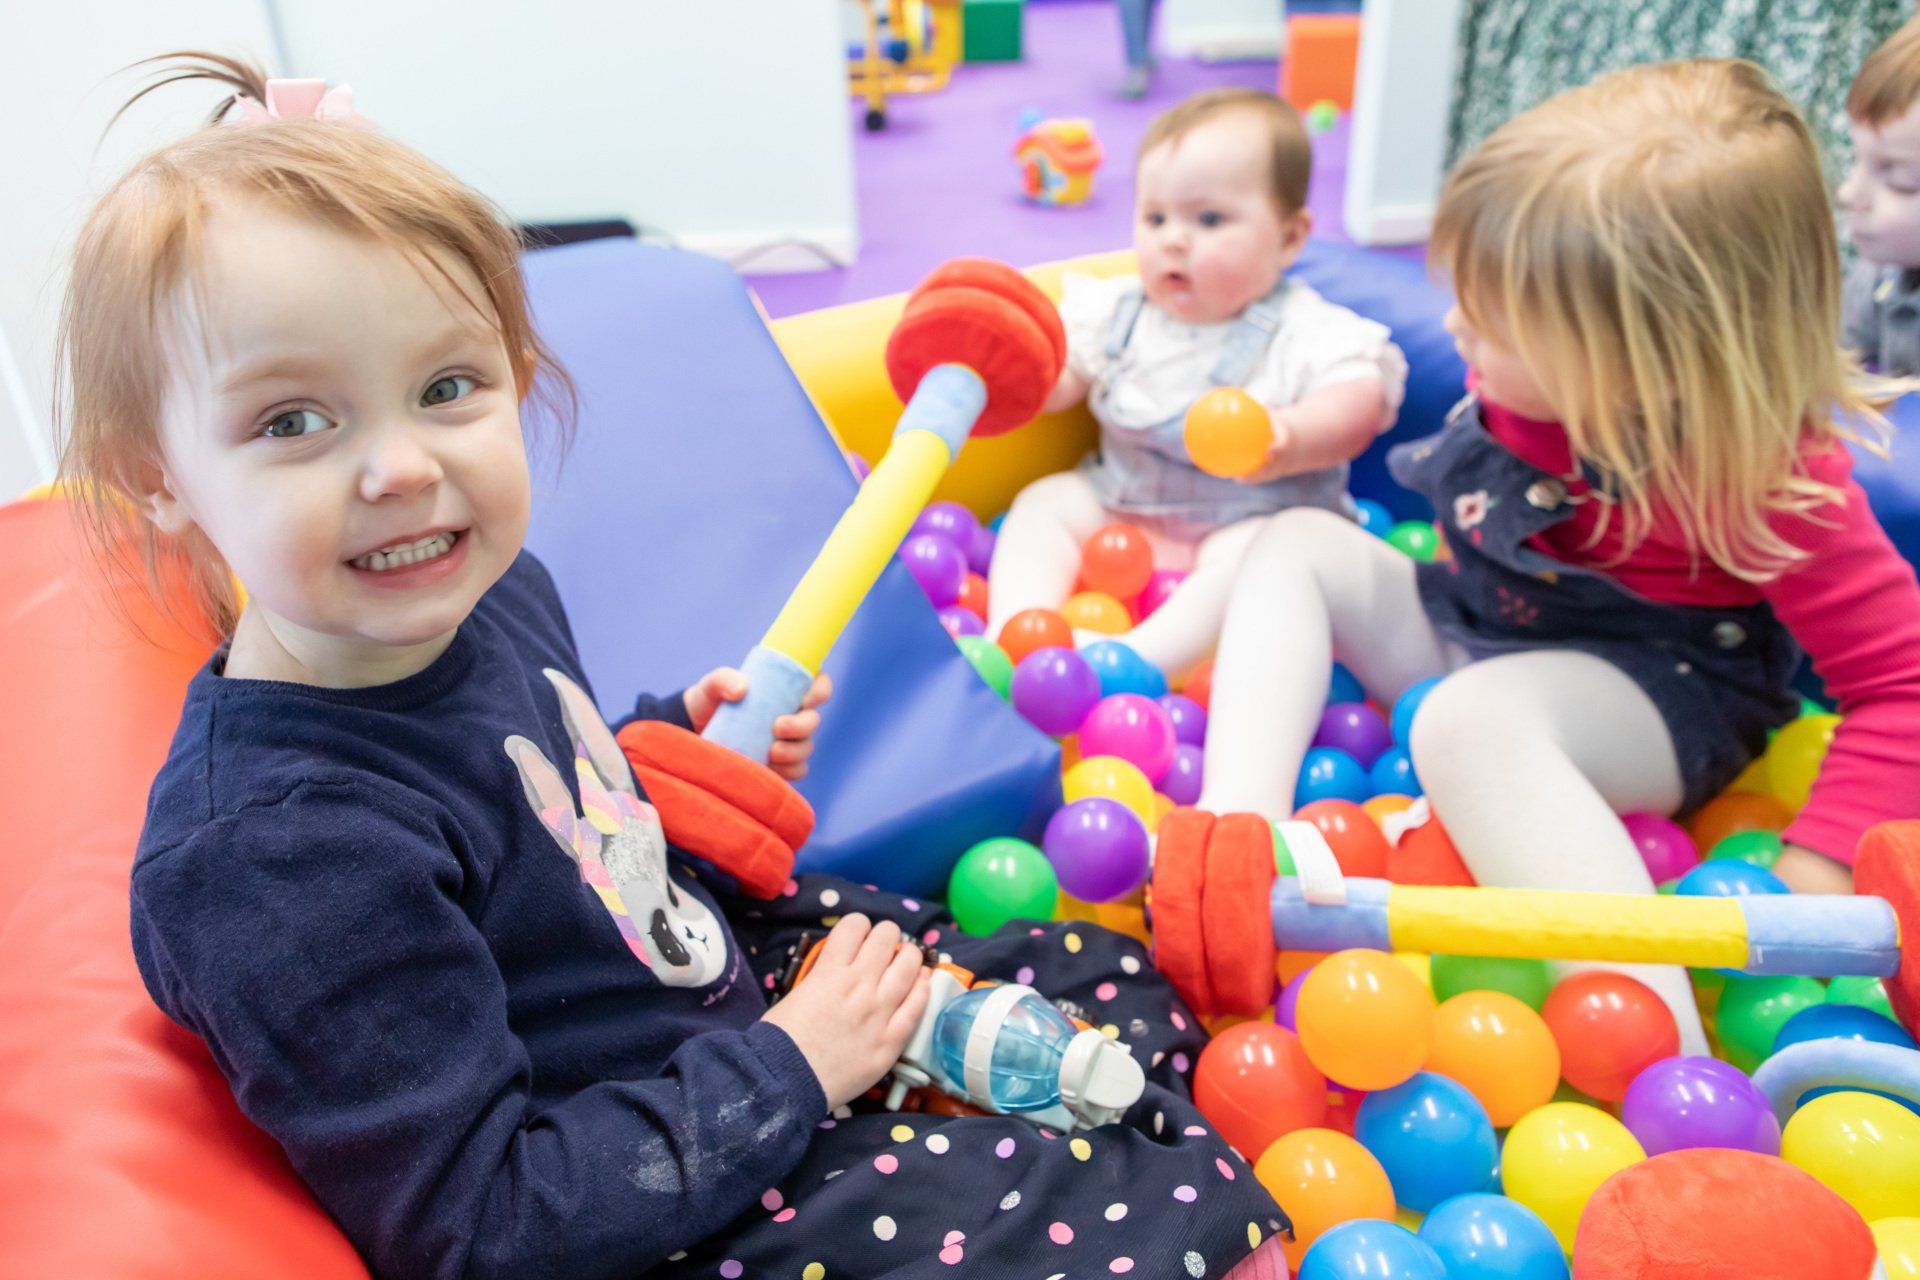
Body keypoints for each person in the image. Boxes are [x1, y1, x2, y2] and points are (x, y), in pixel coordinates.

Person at [59, 53, 1289, 1280]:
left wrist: (664, 744)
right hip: (652, 1182)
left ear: (516, 375)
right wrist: (799, 1063)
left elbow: (542, 799)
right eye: (293, 422)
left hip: (706, 977)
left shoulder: (478, 593)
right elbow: (480, 1224)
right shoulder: (279, 854)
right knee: (1155, 1210)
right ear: (157, 473)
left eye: (446, 388)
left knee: (1103, 978)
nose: (400, 468)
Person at [1197, 59, 1920, 1052]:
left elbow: (1899, 679)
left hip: (1658, 700)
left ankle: (1666, 1049)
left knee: (1468, 724)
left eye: (1496, 322)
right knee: (1293, 545)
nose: (1458, 327)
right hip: (1481, 628)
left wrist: (1820, 864)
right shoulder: (1534, 385)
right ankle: (1234, 843)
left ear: (1650, 361)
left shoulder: (1764, 478)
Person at [987, 89, 1405, 680]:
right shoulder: (1117, 310)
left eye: (1209, 219)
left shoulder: (1304, 330)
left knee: (1258, 560)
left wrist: (1287, 434)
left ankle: (1134, 663)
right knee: (1046, 504)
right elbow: (1062, 380)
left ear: (1289, 238)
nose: (1173, 239)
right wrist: (1019, 381)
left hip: (1245, 522)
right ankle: (1016, 638)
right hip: (1123, 510)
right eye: (1155, 217)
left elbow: (1357, 399)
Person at [1842, 16, 1920, 376]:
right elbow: (1837, 369)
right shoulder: (1881, 275)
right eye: (1859, 161)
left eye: (1899, 178)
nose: (1849, 193)